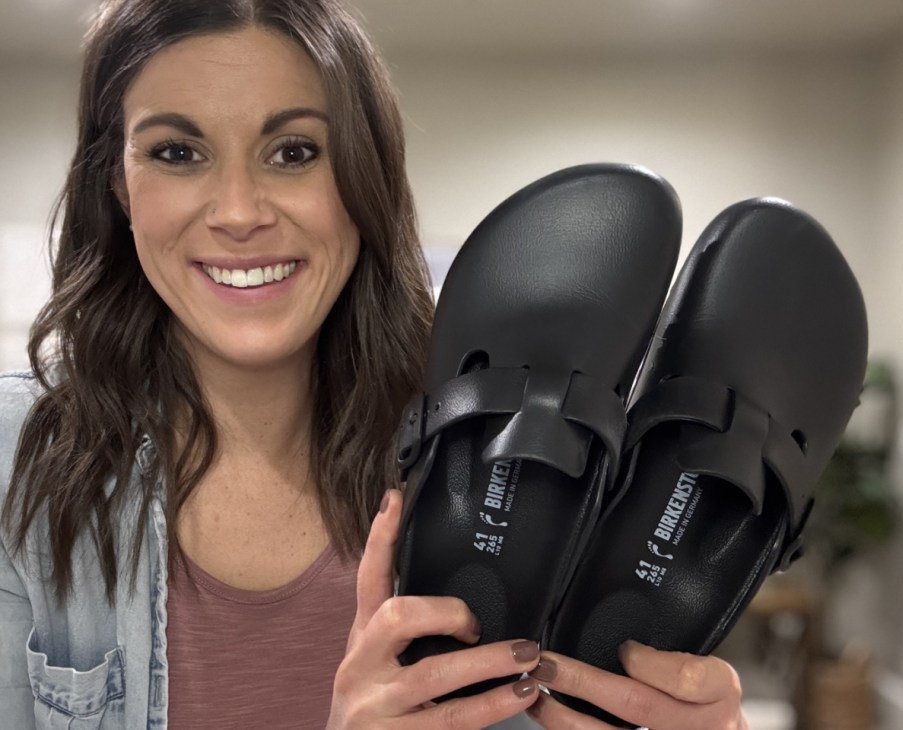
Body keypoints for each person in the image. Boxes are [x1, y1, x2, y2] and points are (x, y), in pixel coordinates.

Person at [0, 0, 749, 728]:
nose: (237, 211)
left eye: (294, 152)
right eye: (176, 152)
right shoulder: (14, 463)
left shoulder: (496, 459)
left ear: (364, 181)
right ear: (120, 187)